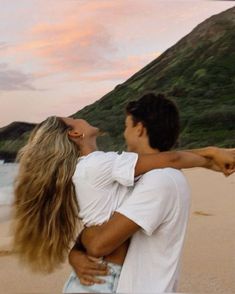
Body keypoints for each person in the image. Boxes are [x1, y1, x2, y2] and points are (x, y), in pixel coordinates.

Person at [12, 94, 234, 291]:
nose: (124, 133)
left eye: (126, 126)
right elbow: (170, 160)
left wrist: (211, 158)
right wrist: (210, 156)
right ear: (76, 133)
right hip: (101, 280)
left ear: (139, 129)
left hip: (108, 280)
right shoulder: (107, 168)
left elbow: (98, 241)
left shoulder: (158, 179)